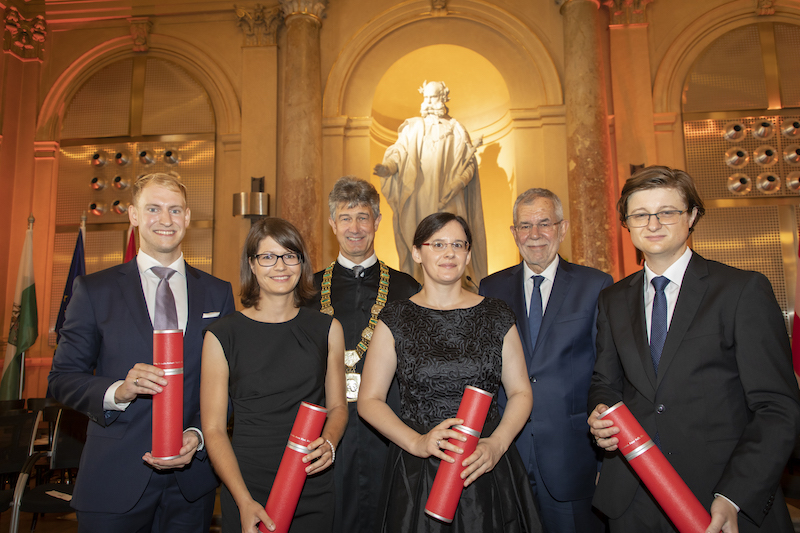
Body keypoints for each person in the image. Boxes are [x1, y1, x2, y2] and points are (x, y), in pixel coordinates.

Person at [588, 165, 800, 533]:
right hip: (633, 499)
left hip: (720, 496)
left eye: (666, 212)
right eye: (640, 215)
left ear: (692, 216)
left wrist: (735, 494)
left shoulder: (740, 290)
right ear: (626, 224)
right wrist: (600, 413)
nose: (652, 224)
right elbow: (605, 381)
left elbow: (777, 407)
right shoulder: (613, 299)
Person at [48, 173, 235, 532]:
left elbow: (228, 383)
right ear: (133, 215)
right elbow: (62, 378)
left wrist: (198, 434)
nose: (165, 220)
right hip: (113, 477)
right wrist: (117, 390)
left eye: (174, 210)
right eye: (153, 209)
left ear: (187, 217)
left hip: (191, 483)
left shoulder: (217, 293)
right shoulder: (93, 290)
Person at [358, 212, 542, 532]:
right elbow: (369, 400)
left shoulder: (497, 314)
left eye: (458, 244)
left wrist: (496, 445)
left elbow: (521, 392)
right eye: (438, 244)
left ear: (468, 254)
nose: (449, 253)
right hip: (418, 470)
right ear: (417, 253)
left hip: (485, 465)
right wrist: (417, 443)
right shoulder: (395, 318)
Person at [201, 217, 348, 533]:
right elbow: (213, 429)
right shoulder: (222, 334)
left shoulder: (328, 329)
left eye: (289, 255)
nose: (280, 266)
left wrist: (330, 441)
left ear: (301, 262)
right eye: (268, 256)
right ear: (252, 265)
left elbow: (338, 407)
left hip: (312, 481)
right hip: (248, 485)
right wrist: (243, 500)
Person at [479, 188, 612, 533]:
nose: (534, 235)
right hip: (508, 456)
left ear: (562, 228)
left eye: (544, 223)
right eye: (525, 226)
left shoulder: (595, 285)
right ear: (513, 233)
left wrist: (606, 460)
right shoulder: (490, 288)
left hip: (574, 456)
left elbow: (607, 372)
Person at [303, 176, 419, 533]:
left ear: (378, 222)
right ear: (332, 224)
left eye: (363, 217)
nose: (355, 228)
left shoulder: (407, 288)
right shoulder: (307, 289)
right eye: (346, 217)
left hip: (390, 426)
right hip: (325, 428)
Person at [374, 80, 487, 284]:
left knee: (453, 240)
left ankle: (458, 288)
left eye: (432, 97)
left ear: (442, 98)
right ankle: (419, 288)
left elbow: (468, 165)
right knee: (420, 242)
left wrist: (459, 183)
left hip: (451, 197)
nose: (427, 102)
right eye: (425, 97)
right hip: (419, 200)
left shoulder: (457, 130)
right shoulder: (414, 127)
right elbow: (399, 152)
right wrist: (389, 167)